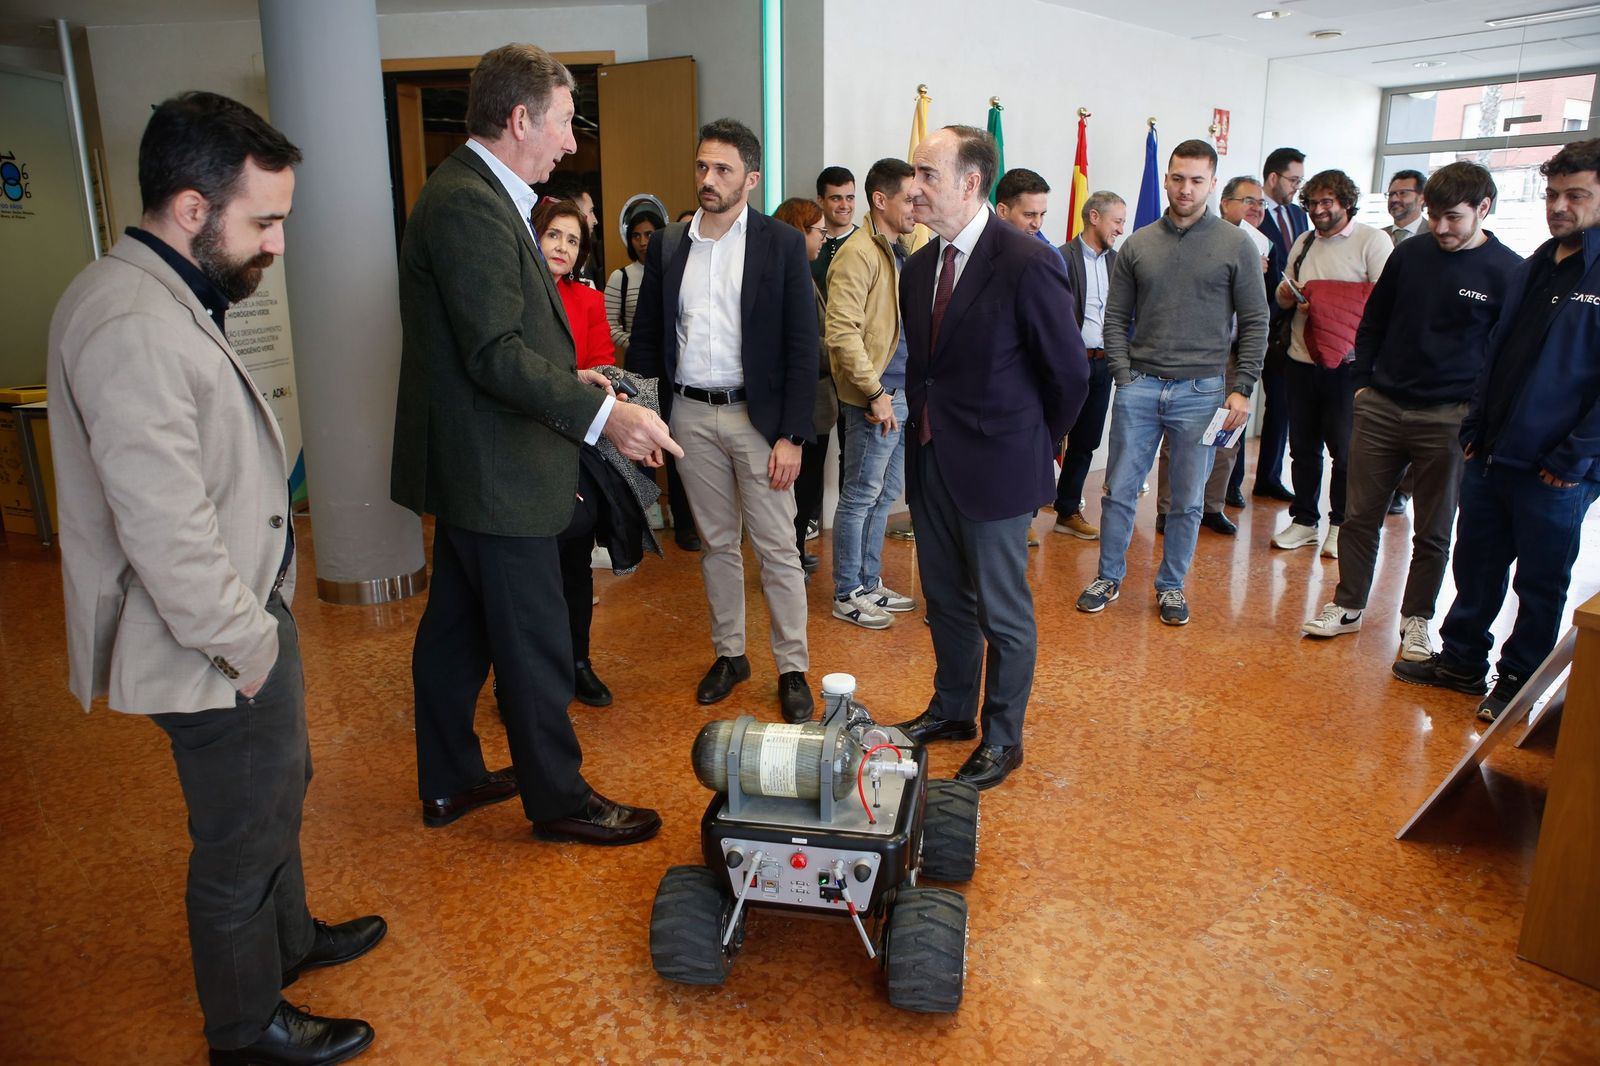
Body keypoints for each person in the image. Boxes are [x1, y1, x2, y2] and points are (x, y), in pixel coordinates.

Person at [48, 91, 381, 1065]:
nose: (275, 243)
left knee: (279, 787)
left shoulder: (164, 294)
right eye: (263, 221)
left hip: (236, 620)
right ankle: (246, 1028)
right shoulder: (132, 322)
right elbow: (165, 531)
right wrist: (245, 644)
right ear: (192, 209)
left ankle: (292, 938)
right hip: (205, 635)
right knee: (240, 833)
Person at [392, 44, 677, 848]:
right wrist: (607, 417)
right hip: (498, 469)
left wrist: (581, 382)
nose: (570, 142)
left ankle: (449, 778)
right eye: (561, 123)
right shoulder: (468, 205)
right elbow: (493, 353)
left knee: (456, 630)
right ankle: (559, 799)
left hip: (482, 462)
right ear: (520, 120)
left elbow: (499, 340)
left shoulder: (477, 194)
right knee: (532, 642)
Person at [891, 125, 1087, 790]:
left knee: (1003, 612)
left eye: (926, 173)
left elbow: (1068, 377)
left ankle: (1004, 737)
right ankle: (952, 711)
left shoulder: (1026, 262)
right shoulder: (919, 268)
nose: (912, 186)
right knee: (944, 600)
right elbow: (926, 370)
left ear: (970, 183)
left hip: (1000, 469)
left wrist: (1033, 444)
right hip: (932, 461)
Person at [1394, 138, 1600, 723]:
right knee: (1476, 564)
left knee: (1540, 581)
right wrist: (1475, 430)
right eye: (1553, 194)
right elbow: (1496, 354)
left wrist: (1573, 462)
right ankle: (1462, 661)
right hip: (1492, 451)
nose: (1560, 206)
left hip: (1558, 469)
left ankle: (1518, 681)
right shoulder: (1537, 264)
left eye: (1577, 195)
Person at [626, 118, 820, 723]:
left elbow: (801, 345)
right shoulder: (669, 245)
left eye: (723, 170)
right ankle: (731, 655)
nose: (707, 179)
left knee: (777, 547)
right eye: (702, 167)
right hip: (688, 413)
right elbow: (649, 340)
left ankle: (792, 666)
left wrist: (792, 434)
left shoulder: (780, 245)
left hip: (757, 421)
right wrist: (645, 417)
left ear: (751, 179)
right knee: (715, 544)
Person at [1301, 162, 1521, 662]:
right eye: (1435, 216)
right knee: (1359, 516)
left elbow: (1506, 354)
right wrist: (1363, 386)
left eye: (1454, 218)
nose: (1441, 228)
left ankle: (1416, 619)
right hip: (1382, 405)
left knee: (1433, 529)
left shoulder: (1508, 271)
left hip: (1449, 416)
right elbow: (1373, 321)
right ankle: (1348, 604)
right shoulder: (1410, 254)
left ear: (1483, 209)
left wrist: (1476, 413)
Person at [1075, 139, 1268, 627]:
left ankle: (1171, 586)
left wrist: (1242, 386)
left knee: (1186, 499)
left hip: (1202, 392)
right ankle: (1108, 577)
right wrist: (1123, 372)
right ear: (1166, 178)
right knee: (1119, 490)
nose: (1186, 188)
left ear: (1212, 183)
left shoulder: (1235, 244)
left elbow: (1255, 319)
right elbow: (1115, 317)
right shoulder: (1139, 243)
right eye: (1178, 178)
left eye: (1197, 180)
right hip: (1140, 387)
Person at [824, 156, 927, 628]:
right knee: (860, 495)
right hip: (878, 394)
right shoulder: (859, 252)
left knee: (884, 496)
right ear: (880, 200)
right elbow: (841, 331)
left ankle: (869, 582)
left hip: (902, 389)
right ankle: (847, 593)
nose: (918, 204)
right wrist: (874, 391)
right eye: (909, 197)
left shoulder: (895, 249)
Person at [1269, 169, 1391, 559]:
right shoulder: (1304, 242)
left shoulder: (1372, 241)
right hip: (1301, 359)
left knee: (1346, 449)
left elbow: (1387, 302)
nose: (1319, 211)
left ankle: (1340, 524)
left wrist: (1332, 300)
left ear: (1345, 202)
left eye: (1327, 203)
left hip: (1347, 365)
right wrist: (1292, 296)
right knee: (1301, 446)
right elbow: (1283, 290)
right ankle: (1305, 520)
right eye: (1312, 203)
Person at [1153, 173, 1271, 535]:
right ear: (1224, 202)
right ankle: (1168, 509)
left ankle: (1211, 505)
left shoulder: (1257, 245)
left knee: (1226, 434)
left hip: (1233, 355)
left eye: (1260, 203)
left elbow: (1259, 313)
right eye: (1247, 201)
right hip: (1195, 356)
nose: (1255, 208)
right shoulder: (1194, 238)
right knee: (1179, 436)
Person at [606, 206, 699, 552]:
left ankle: (683, 514)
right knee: (646, 437)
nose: (644, 242)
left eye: (649, 234)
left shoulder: (686, 268)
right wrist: (641, 344)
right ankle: (648, 510)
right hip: (643, 365)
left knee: (677, 441)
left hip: (675, 367)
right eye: (637, 235)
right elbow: (613, 323)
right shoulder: (623, 277)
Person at [1052, 190, 1126, 540]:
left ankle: (1067, 510)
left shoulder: (1118, 262)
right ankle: (1020, 517)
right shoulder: (1060, 257)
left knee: (1086, 441)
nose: (1120, 230)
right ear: (1094, 217)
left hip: (1103, 365)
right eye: (1117, 221)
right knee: (1047, 438)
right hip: (1067, 365)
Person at [773, 196, 837, 575]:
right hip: (804, 402)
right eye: (819, 232)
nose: (823, 240)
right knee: (795, 490)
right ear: (799, 232)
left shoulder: (803, 276)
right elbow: (801, 345)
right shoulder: (785, 279)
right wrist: (839, 354)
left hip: (817, 403)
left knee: (807, 489)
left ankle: (794, 552)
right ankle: (787, 559)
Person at [1254, 146, 1309, 502]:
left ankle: (1269, 477)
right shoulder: (1251, 212)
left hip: (1289, 326)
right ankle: (1227, 488)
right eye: (1293, 180)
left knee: (1281, 404)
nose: (1296, 187)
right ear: (1273, 178)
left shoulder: (1301, 217)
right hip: (1254, 320)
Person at [813, 164, 858, 294]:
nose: (844, 205)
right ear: (820, 201)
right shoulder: (807, 244)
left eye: (850, 198)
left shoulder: (868, 243)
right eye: (836, 198)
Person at [1382, 169, 1427, 246]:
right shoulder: (1378, 236)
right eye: (1391, 194)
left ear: (1422, 198)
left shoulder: (1436, 234)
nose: (1393, 199)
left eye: (1402, 193)